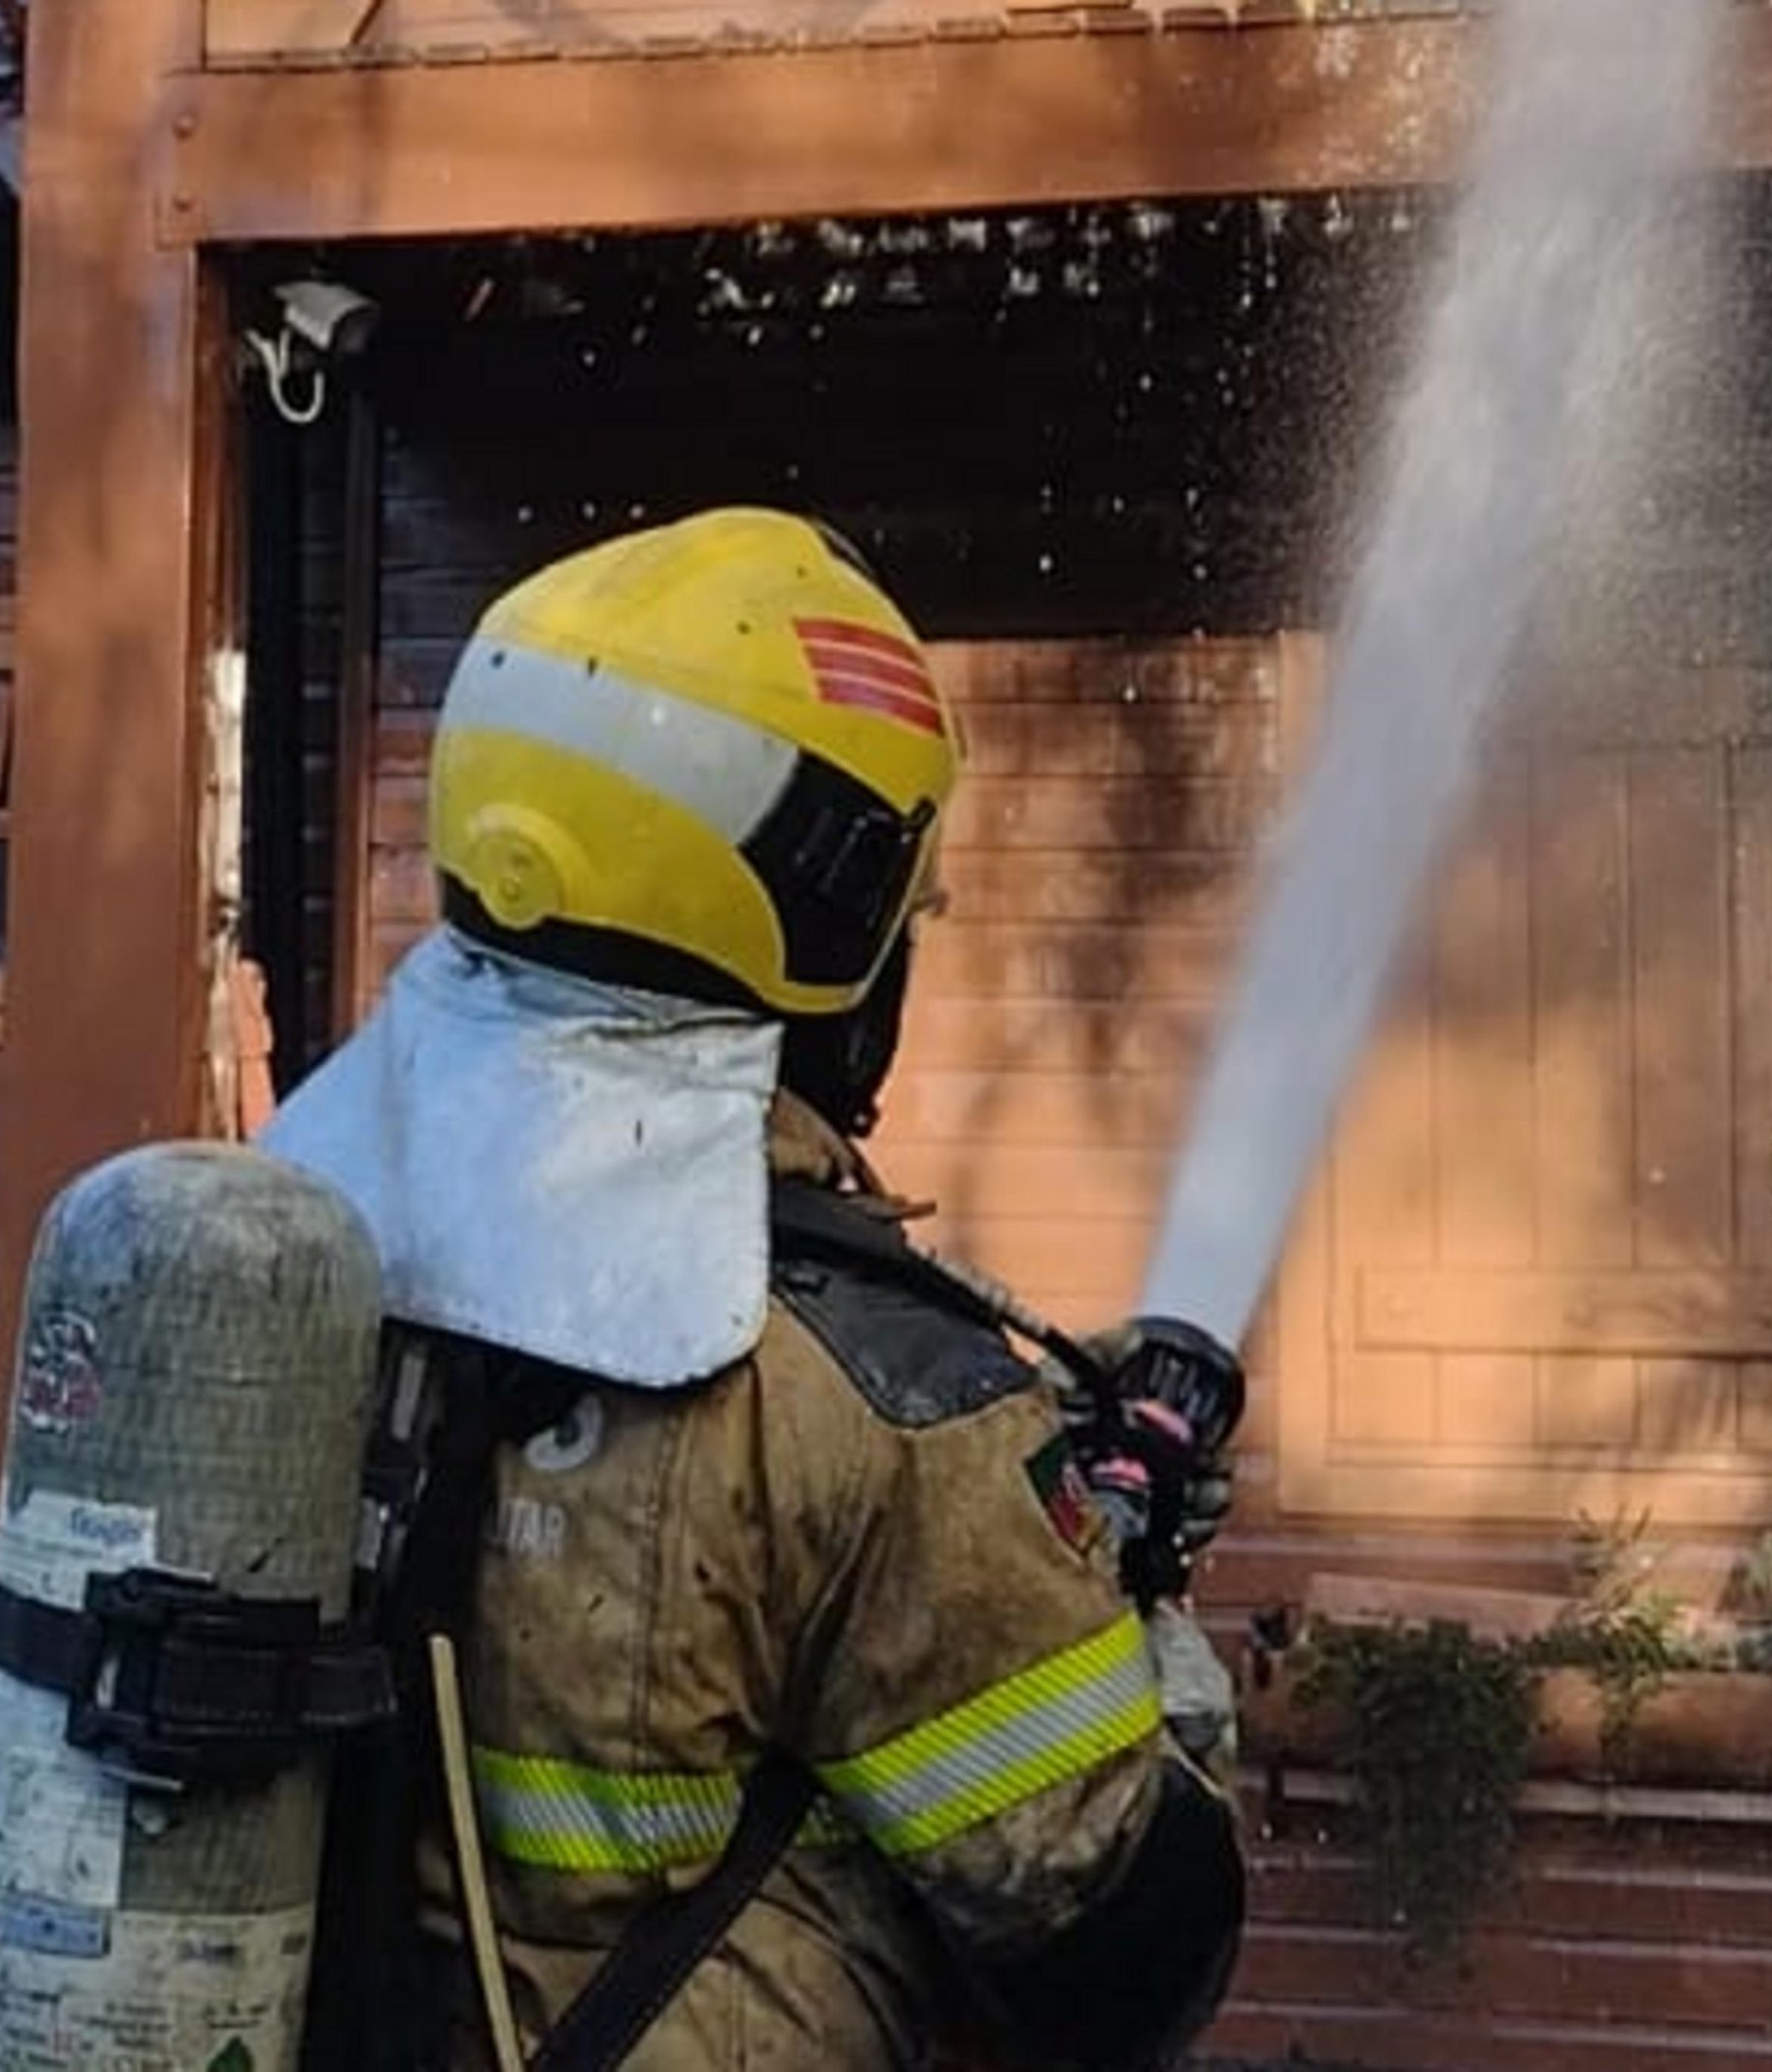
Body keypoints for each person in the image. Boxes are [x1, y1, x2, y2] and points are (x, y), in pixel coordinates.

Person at [261, 508, 1245, 2072]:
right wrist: (1137, 1606)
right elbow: (1117, 1951)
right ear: (834, 912)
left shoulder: (288, 1240)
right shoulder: (875, 1406)